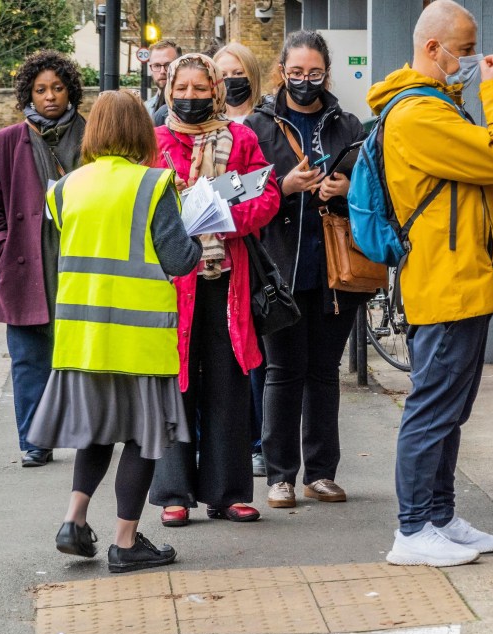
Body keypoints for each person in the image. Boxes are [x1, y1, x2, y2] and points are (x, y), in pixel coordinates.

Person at [366, 0, 493, 567]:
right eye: (465, 48)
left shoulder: (436, 107)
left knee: (450, 409)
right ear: (433, 49)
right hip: (447, 281)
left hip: (461, 277)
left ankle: (439, 516)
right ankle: (411, 531)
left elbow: (488, 167)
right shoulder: (418, 116)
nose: (474, 60)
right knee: (432, 408)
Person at [27, 90, 201, 573]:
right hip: (138, 339)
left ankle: (74, 521)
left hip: (83, 338)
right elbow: (179, 259)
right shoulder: (152, 184)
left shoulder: (64, 189)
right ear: (141, 132)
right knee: (143, 439)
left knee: (96, 434)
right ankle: (125, 542)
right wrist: (196, 231)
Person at [148, 53, 280, 527]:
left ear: (216, 90)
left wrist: (226, 219)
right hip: (171, 283)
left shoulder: (242, 137)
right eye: (181, 88)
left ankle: (227, 492)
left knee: (227, 384)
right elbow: (143, 204)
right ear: (169, 90)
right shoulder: (155, 140)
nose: (190, 97)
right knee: (175, 383)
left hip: (228, 281)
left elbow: (265, 194)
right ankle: (172, 493)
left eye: (201, 89)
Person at [245, 30, 366, 510]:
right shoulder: (258, 126)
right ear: (281, 71)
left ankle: (321, 473)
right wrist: (284, 184)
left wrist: (346, 188)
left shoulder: (348, 123)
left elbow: (373, 187)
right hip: (280, 271)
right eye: (296, 73)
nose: (304, 81)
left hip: (337, 270)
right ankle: (280, 476)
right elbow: (245, 194)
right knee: (282, 371)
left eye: (314, 73)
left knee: (323, 371)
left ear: (326, 73)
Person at [0, 50, 86, 468]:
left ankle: (87, 433)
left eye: (57, 88)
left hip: (78, 263)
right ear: (29, 95)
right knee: (28, 361)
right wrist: (0, 247)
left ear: (70, 90)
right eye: (41, 90)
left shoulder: (91, 137)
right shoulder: (3, 142)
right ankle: (34, 441)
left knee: (80, 358)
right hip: (24, 265)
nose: (50, 97)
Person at [213, 42, 267, 476]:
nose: (231, 80)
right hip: (208, 261)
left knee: (256, 357)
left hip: (259, 253)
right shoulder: (189, 129)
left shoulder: (261, 127)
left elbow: (264, 188)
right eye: (222, 72)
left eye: (237, 72)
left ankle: (258, 442)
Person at [214, 43, 263, 125]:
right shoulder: (210, 124)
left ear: (252, 75)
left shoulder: (270, 120)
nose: (230, 79)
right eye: (223, 75)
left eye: (238, 73)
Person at [145, 40, 182, 120]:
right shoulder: (144, 110)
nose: (162, 71)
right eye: (157, 65)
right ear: (151, 68)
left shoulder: (188, 107)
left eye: (168, 65)